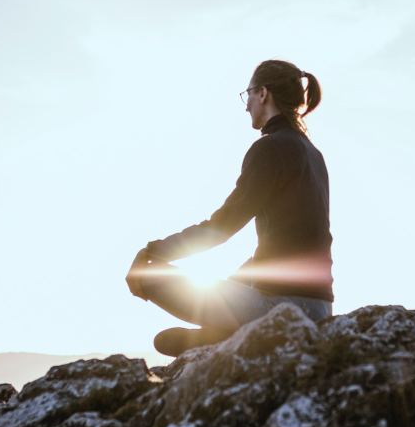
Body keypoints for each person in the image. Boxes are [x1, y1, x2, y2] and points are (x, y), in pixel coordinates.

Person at [125, 59, 334, 357]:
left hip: (285, 310)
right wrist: (238, 280)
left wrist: (152, 252)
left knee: (148, 275)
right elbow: (293, 242)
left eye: (248, 94)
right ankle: (226, 335)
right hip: (320, 308)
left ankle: (227, 337)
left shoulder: (271, 147)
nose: (246, 104)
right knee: (238, 278)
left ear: (263, 93)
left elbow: (222, 227)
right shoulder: (313, 154)